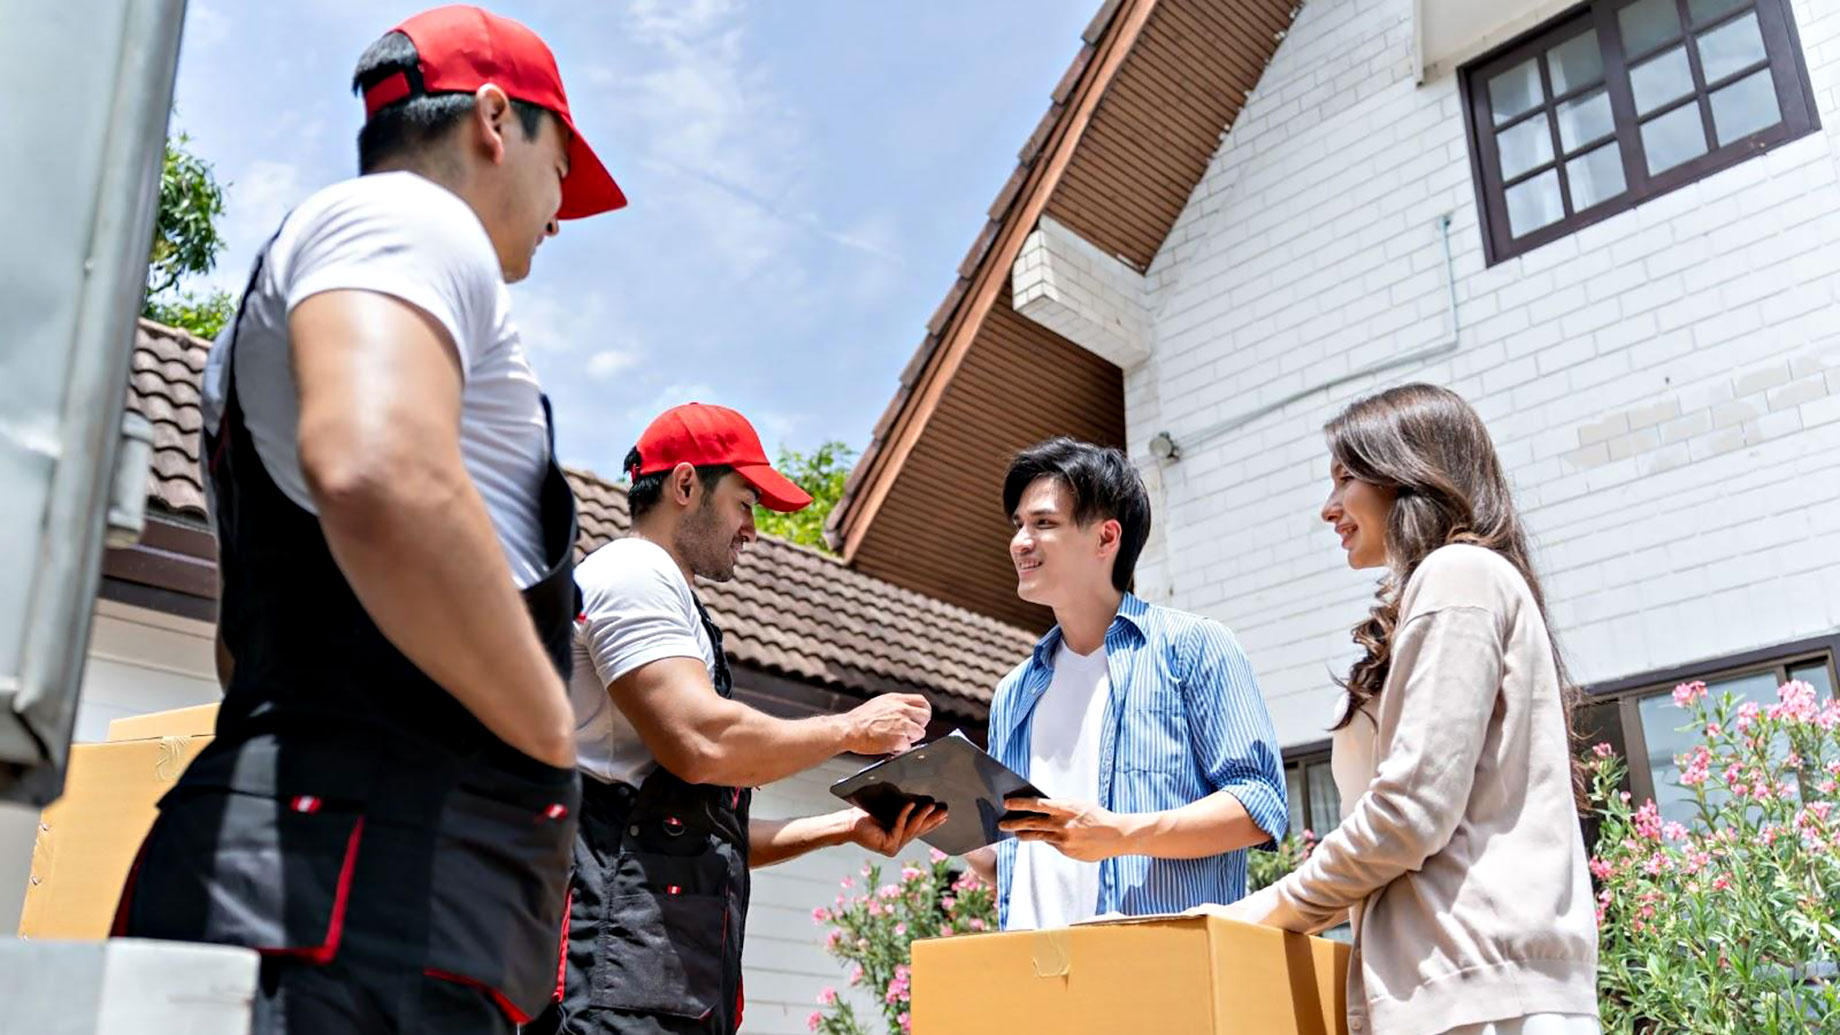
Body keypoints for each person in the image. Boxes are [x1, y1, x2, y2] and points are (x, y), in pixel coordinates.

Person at [112, 7, 624, 1033]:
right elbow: (378, 469)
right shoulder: (408, 217)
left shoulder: (308, 292)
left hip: (334, 899)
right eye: (562, 163)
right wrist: (546, 729)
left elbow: (238, 649)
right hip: (356, 910)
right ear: (492, 119)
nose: (562, 210)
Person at [531, 402, 947, 1035]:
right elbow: (701, 742)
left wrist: (843, 826)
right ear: (686, 484)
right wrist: (849, 730)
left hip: (659, 981)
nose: (753, 529)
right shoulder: (631, 573)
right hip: (612, 974)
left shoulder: (672, 599)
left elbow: (705, 830)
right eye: (746, 503)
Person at [1215, 383, 1598, 1035]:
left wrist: (1262, 911)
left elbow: (1409, 810)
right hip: (1472, 990)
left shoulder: (1458, 576)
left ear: (1407, 473)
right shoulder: (1461, 583)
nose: (1327, 508)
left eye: (1344, 477)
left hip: (1483, 1002)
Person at [960, 437, 1288, 930]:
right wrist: (952, 820)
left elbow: (1258, 806)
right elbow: (1004, 860)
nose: (1020, 541)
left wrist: (1122, 834)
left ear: (1106, 538)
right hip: (1032, 971)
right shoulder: (1014, 691)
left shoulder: (1193, 646)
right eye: (1019, 525)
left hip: (1156, 967)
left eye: (1043, 523)